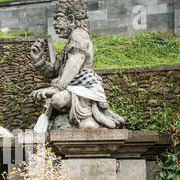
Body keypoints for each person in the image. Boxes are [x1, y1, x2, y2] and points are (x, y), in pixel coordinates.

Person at [30, 0, 125, 130]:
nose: (54, 23)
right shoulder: (68, 44)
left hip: (83, 89)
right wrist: (39, 60)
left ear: (70, 19)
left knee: (57, 99)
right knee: (55, 100)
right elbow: (53, 71)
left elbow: (75, 62)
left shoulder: (79, 35)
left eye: (58, 19)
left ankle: (87, 117)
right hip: (71, 88)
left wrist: (56, 88)